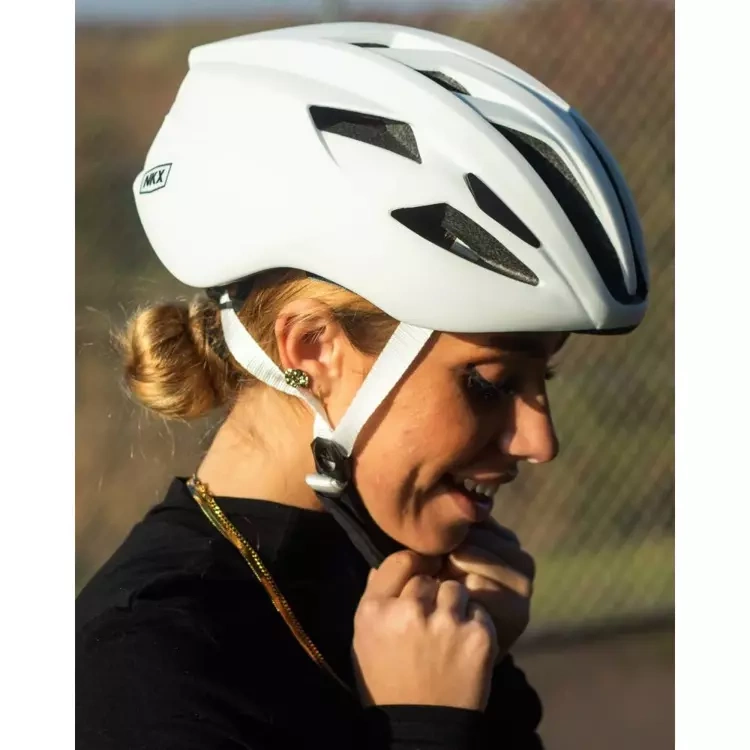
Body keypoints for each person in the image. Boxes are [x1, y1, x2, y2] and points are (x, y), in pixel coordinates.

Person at [76, 21, 648, 750]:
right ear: (314, 348)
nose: (540, 441)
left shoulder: (411, 596)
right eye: (490, 382)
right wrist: (428, 728)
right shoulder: (140, 669)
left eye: (545, 379)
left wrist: (488, 688)